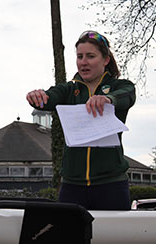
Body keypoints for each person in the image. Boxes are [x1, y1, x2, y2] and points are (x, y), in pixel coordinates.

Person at [26, 31, 136, 210]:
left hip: (112, 185)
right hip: (72, 186)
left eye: (90, 56)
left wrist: (108, 99)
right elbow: (50, 97)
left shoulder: (120, 86)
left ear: (105, 59)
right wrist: (37, 97)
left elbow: (127, 95)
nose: (83, 62)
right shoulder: (69, 89)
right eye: (79, 56)